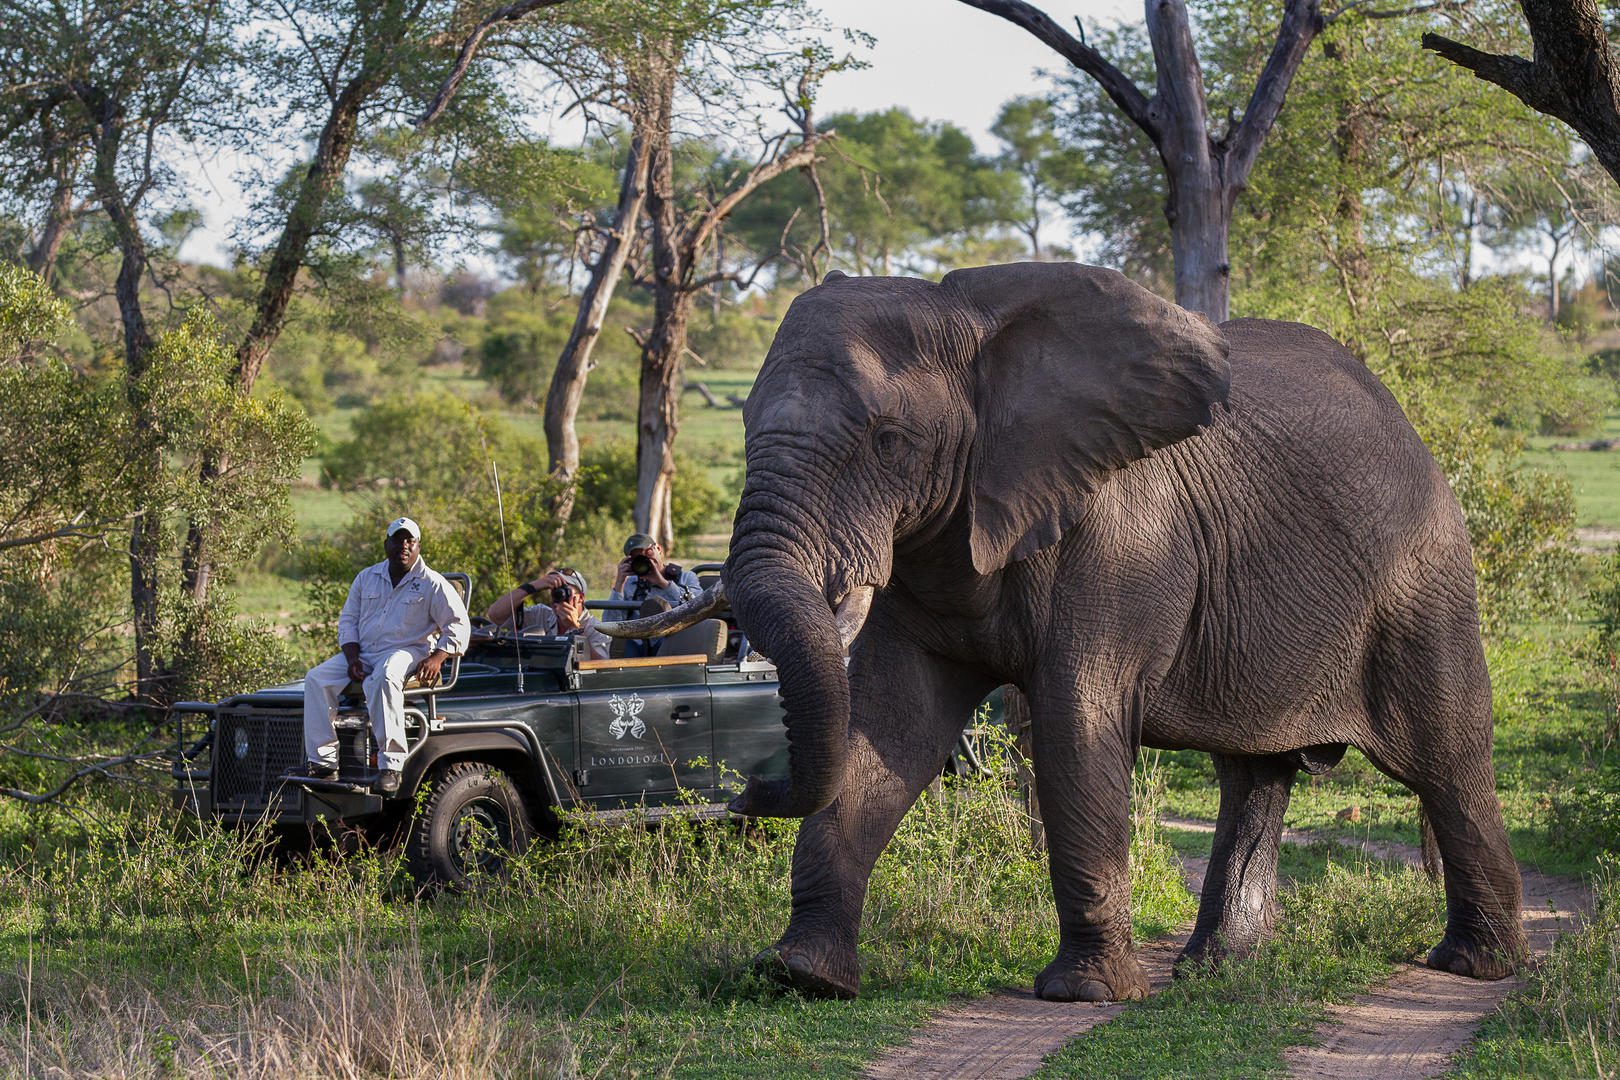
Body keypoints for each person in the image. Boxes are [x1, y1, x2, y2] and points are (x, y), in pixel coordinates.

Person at [301, 516, 470, 793]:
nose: (403, 546)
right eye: (398, 539)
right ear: (386, 544)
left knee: (385, 674)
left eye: (410, 541)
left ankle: (390, 765)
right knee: (316, 679)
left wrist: (438, 657)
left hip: (408, 651)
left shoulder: (432, 583)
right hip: (365, 652)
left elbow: (458, 625)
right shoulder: (367, 577)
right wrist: (353, 658)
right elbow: (348, 621)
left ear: (418, 547)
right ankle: (324, 763)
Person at [606, 533, 702, 657]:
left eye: (648, 553)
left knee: (667, 643)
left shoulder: (686, 578)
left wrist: (662, 583)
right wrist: (619, 584)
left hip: (672, 639)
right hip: (637, 643)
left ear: (659, 549)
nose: (647, 560)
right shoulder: (629, 584)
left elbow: (698, 608)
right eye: (638, 558)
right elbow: (610, 623)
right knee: (622, 645)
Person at [485, 566, 610, 660]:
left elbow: (601, 669)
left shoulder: (596, 628)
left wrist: (575, 629)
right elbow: (495, 615)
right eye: (555, 591)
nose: (559, 596)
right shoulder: (541, 615)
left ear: (580, 598)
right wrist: (532, 586)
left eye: (565, 591)